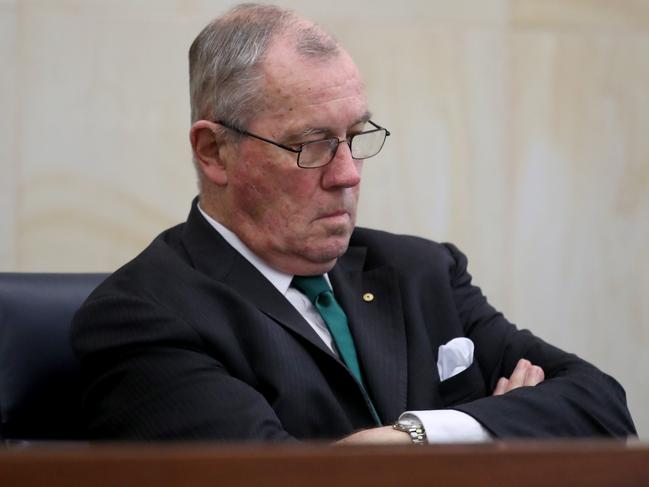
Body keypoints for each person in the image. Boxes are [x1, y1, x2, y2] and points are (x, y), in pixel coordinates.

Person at [71, 3, 636, 444]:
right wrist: (496, 427)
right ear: (214, 152)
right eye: (311, 144)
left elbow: (602, 408)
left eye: (356, 137)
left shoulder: (421, 272)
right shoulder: (142, 316)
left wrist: (423, 436)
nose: (347, 175)